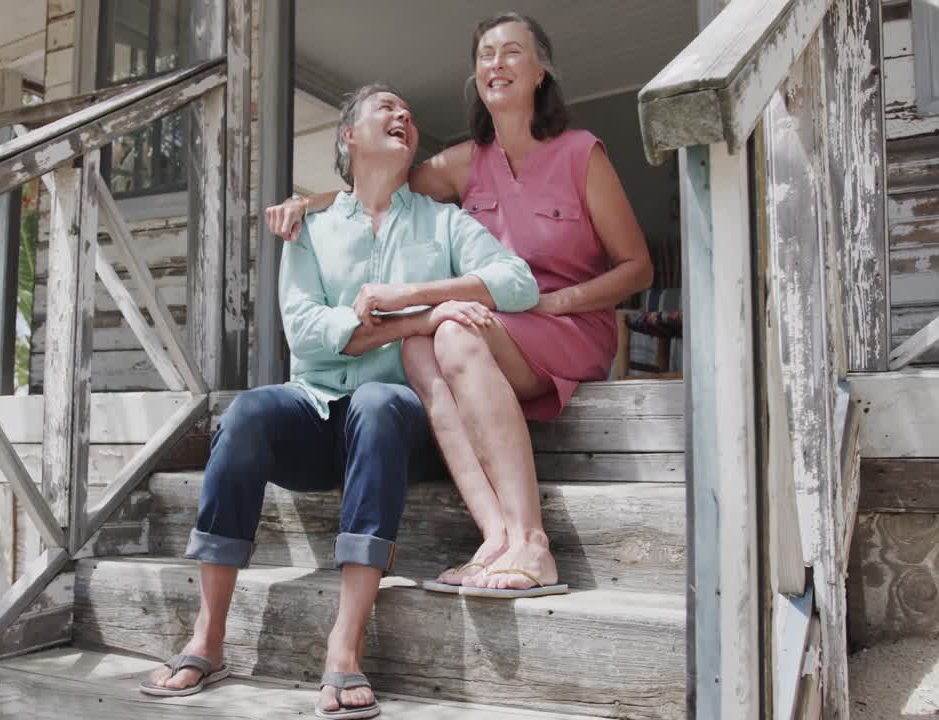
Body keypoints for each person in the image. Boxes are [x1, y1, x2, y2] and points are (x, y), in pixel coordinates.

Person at [141, 83, 539, 719]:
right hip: (318, 413)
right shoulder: (310, 228)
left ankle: (345, 644)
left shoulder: (443, 223)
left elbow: (517, 283)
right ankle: (207, 636)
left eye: (409, 111)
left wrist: (411, 293)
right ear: (348, 138)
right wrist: (419, 319)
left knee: (380, 399)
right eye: (385, 107)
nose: (403, 114)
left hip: (401, 426)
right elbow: (306, 333)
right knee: (245, 413)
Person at [266, 12, 653, 598]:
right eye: (486, 54)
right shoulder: (462, 163)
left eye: (512, 52)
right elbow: (376, 186)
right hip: (501, 323)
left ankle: (532, 541)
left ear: (541, 71)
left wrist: (554, 303)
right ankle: (495, 536)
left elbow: (637, 268)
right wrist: (308, 202)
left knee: (448, 333)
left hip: (570, 326)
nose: (496, 63)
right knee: (421, 342)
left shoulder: (580, 153)